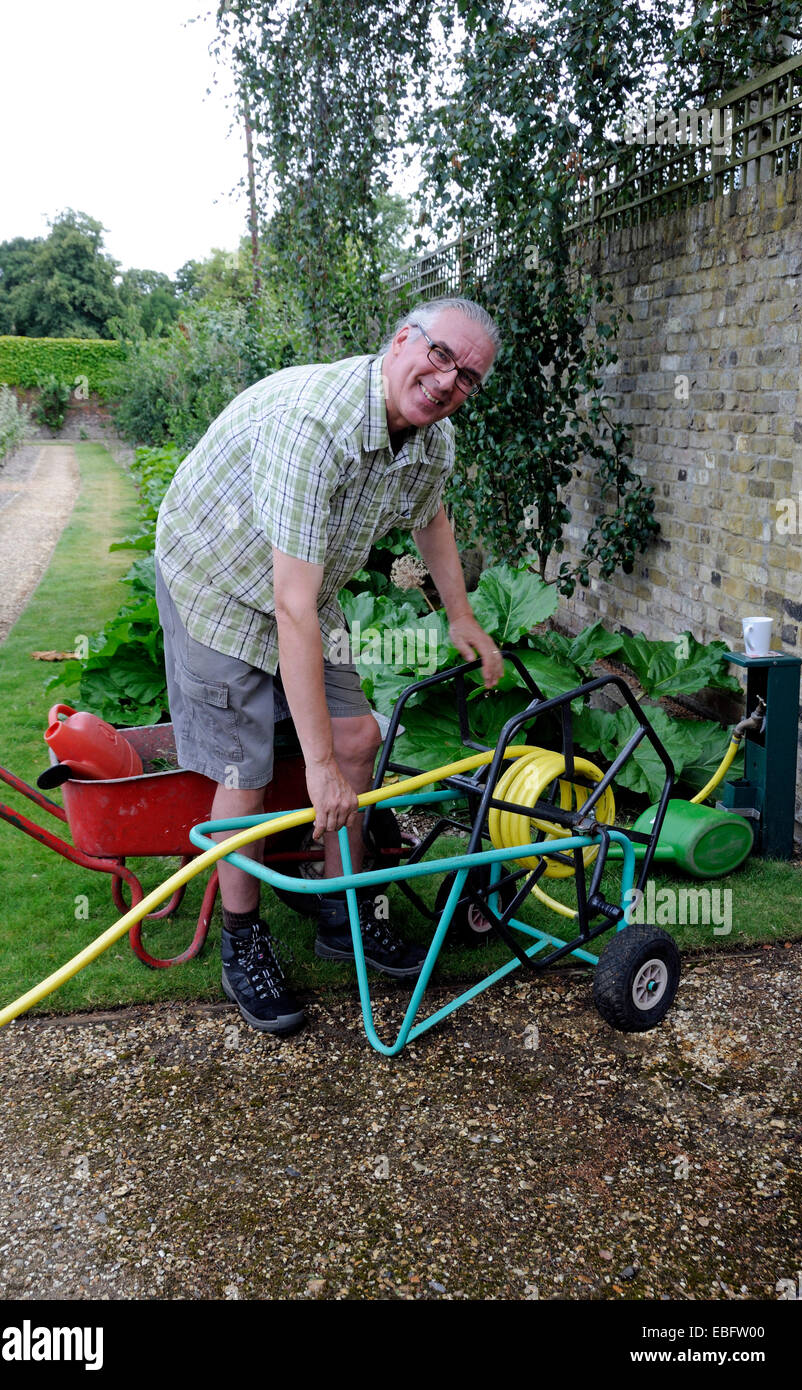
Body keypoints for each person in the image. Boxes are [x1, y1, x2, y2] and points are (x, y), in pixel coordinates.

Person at [154, 295, 503, 1035]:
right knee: (243, 773)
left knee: (356, 741)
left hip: (300, 586)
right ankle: (242, 942)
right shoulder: (314, 427)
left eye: (468, 377)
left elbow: (430, 516)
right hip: (213, 576)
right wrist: (312, 769)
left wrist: (461, 615)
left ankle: (344, 914)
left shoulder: (428, 440)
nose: (448, 383)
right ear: (401, 339)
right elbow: (292, 608)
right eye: (440, 356)